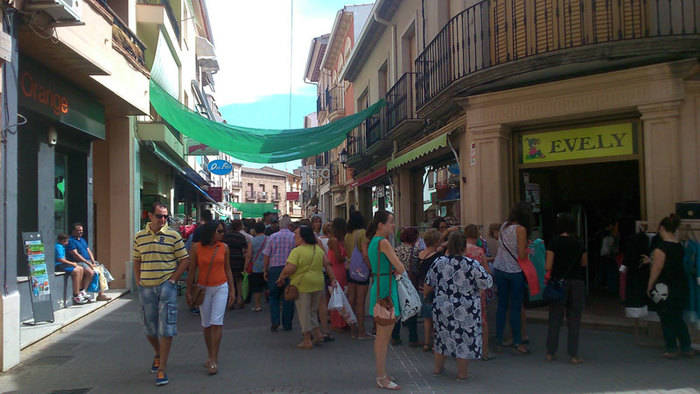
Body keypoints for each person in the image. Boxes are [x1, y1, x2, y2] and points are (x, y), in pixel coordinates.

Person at [133, 202, 190, 386]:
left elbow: (184, 260)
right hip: (146, 287)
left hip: (166, 286)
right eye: (159, 216)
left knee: (166, 328)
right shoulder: (139, 237)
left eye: (166, 216)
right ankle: (157, 353)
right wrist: (138, 280)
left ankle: (162, 369)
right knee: (149, 328)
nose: (163, 219)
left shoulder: (173, 236)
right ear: (150, 216)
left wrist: (173, 280)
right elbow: (137, 259)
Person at [425, 231, 493, 380]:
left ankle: (438, 368)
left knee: (441, 336)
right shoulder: (471, 264)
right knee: (464, 339)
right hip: (466, 307)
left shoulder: (439, 262)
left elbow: (428, 283)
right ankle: (462, 374)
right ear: (464, 247)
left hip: (443, 305)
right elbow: (486, 282)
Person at [276, 226, 338, 349]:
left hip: (302, 284)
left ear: (303, 237)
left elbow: (291, 268)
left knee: (304, 312)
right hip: (318, 283)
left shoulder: (297, 251)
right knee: (312, 311)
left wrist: (281, 277)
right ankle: (318, 334)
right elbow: (327, 265)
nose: (294, 237)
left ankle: (307, 339)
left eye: (296, 235)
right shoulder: (317, 249)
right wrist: (333, 279)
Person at [187, 221, 235, 375]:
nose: (222, 234)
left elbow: (227, 269)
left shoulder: (224, 247)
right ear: (211, 232)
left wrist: (233, 291)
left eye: (223, 231)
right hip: (203, 289)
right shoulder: (197, 248)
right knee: (206, 324)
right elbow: (192, 270)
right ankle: (210, 355)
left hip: (221, 286)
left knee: (217, 322)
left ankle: (214, 358)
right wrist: (188, 291)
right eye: (220, 231)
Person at [367, 211, 406, 391]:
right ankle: (381, 376)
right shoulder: (383, 243)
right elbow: (400, 267)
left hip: (380, 286)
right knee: (383, 337)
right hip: (386, 289)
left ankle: (382, 373)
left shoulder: (373, 242)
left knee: (381, 335)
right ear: (381, 224)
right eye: (391, 222)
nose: (393, 226)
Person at [646, 214, 693, 359]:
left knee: (666, 317)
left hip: (664, 286)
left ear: (661, 228)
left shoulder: (661, 248)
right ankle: (686, 346)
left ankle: (671, 347)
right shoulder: (679, 246)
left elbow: (657, 268)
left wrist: (649, 285)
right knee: (678, 317)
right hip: (680, 284)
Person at [545, 213, 587, 364]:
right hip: (577, 282)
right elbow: (584, 263)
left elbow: (548, 265)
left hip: (558, 282)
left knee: (555, 317)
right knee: (574, 318)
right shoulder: (579, 242)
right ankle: (573, 354)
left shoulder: (554, 242)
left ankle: (550, 352)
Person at [493, 202, 531, 354]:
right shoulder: (520, 229)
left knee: (501, 306)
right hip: (514, 270)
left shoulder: (503, 227)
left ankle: (499, 339)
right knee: (515, 306)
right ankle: (517, 341)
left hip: (499, 268)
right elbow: (521, 254)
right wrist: (529, 250)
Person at [465, 224, 493, 360]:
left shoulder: (458, 250)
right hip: (477, 290)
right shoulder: (479, 251)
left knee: (464, 319)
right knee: (482, 320)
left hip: (461, 290)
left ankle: (465, 350)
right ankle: (485, 351)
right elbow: (487, 271)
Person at [263, 215, 296, 331]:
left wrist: (265, 270)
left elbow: (266, 255)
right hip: (290, 269)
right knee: (289, 296)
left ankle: (275, 321)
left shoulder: (272, 237)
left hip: (275, 269)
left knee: (274, 296)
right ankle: (287, 323)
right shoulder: (294, 237)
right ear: (290, 225)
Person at [345, 210, 372, 339]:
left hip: (350, 269)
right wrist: (371, 268)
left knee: (352, 300)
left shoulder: (347, 235)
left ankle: (352, 330)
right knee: (360, 301)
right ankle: (361, 331)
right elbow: (365, 253)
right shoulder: (362, 233)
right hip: (361, 269)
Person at [391, 227, 421, 347]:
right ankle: (413, 338)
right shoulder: (416, 251)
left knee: (397, 307)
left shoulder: (396, 250)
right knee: (412, 307)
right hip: (410, 282)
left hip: (398, 281)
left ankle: (395, 336)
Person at [67, 223, 110, 302]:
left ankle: (101, 294)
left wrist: (93, 261)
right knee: (91, 273)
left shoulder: (82, 240)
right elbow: (75, 254)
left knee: (101, 271)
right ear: (73, 231)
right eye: (78, 230)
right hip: (79, 262)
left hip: (88, 261)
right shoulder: (71, 241)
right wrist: (88, 262)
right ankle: (83, 291)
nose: (80, 232)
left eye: (81, 231)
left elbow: (88, 250)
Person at [417, 229, 442, 352]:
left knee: (427, 318)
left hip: (421, 287)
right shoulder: (437, 257)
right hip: (433, 289)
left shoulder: (420, 254)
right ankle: (436, 343)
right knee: (436, 318)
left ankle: (427, 343)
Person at [55, 233, 89, 305]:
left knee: (80, 269)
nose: (67, 243)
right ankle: (76, 295)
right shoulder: (58, 247)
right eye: (66, 241)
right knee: (76, 271)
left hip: (63, 264)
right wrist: (72, 263)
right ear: (62, 241)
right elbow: (61, 259)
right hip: (59, 265)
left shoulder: (62, 247)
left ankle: (79, 291)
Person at [328, 218, 349, 330]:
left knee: (339, 295)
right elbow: (338, 257)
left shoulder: (336, 240)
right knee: (338, 295)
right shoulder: (335, 241)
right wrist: (346, 258)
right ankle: (338, 322)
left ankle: (340, 321)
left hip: (338, 269)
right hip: (338, 269)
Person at [223, 220, 249, 309]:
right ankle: (239, 299)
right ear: (239, 227)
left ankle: (231, 300)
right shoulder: (241, 236)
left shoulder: (226, 236)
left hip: (228, 260)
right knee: (239, 280)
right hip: (239, 260)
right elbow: (245, 249)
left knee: (230, 281)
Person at [247, 222, 268, 312]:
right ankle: (270, 301)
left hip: (255, 266)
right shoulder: (269, 239)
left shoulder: (252, 240)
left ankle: (257, 305)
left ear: (255, 230)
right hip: (267, 266)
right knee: (268, 285)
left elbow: (249, 255)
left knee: (257, 287)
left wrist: (246, 266)